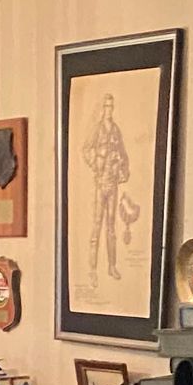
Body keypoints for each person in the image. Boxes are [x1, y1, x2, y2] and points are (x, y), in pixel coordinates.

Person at [83, 93, 139, 283]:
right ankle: (92, 270)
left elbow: (123, 153)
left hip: (113, 183)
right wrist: (95, 164)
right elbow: (86, 149)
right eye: (106, 106)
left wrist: (124, 169)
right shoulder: (98, 130)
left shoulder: (116, 130)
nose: (109, 110)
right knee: (96, 226)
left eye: (111, 107)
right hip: (100, 183)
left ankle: (112, 266)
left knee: (111, 227)